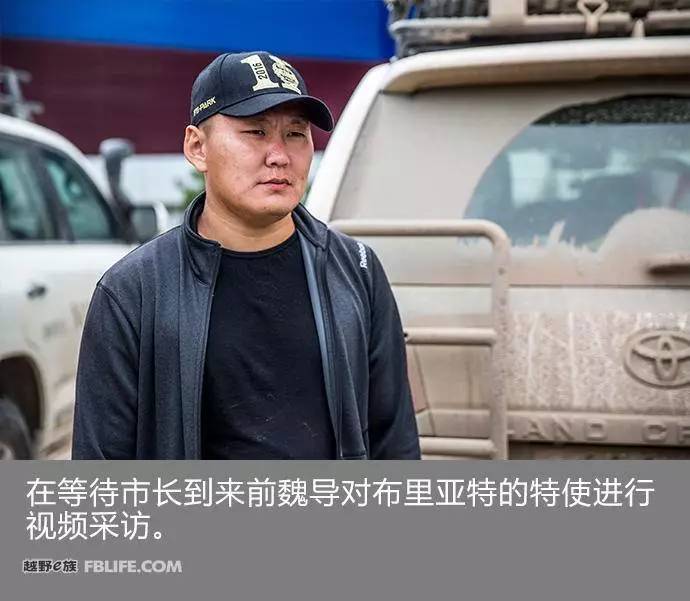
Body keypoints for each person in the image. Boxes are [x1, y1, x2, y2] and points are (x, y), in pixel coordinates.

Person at [72, 51, 420, 460]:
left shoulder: (355, 269)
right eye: (255, 131)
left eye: (296, 134)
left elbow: (394, 440)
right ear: (197, 147)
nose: (279, 155)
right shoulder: (134, 291)